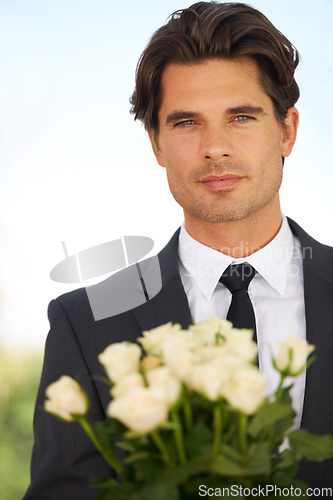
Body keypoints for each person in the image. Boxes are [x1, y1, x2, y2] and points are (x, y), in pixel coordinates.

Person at [24, 2, 333, 498]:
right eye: (187, 122)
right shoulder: (84, 322)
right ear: (156, 143)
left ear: (287, 131)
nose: (215, 147)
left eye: (241, 117)